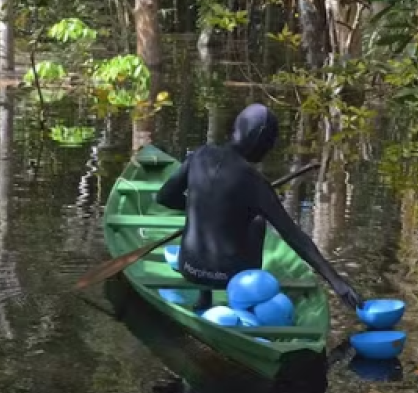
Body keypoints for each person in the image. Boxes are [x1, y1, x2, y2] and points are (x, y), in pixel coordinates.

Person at [154, 103, 363, 313]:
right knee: (257, 221)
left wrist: (199, 207)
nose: (270, 149)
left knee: (218, 219)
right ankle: (247, 299)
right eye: (270, 143)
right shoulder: (255, 182)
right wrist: (337, 283)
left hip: (189, 269)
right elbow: (294, 237)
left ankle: (204, 298)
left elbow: (164, 197)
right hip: (229, 278)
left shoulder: (199, 156)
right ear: (259, 142)